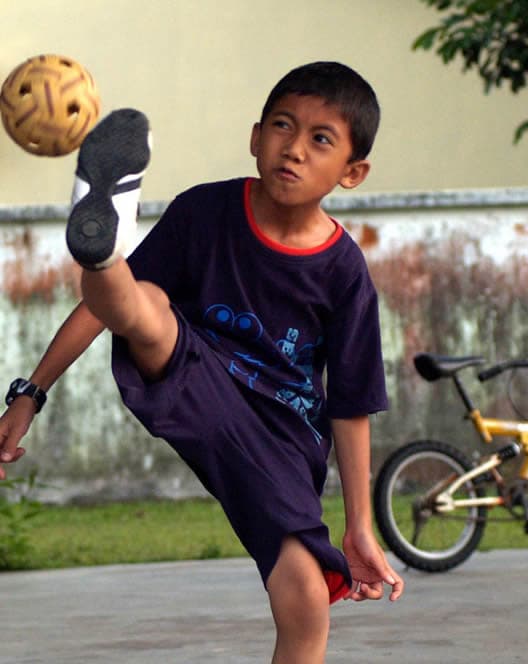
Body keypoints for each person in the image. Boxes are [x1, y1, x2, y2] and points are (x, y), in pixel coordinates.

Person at [0, 61, 404, 663]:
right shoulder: (205, 213)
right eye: (282, 126)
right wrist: (30, 392)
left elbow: (351, 405)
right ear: (255, 136)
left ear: (352, 172)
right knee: (147, 305)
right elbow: (99, 314)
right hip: (197, 378)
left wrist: (360, 526)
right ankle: (104, 250)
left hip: (283, 440)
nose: (292, 149)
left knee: (307, 600)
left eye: (320, 139)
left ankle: (107, 256)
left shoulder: (344, 271)